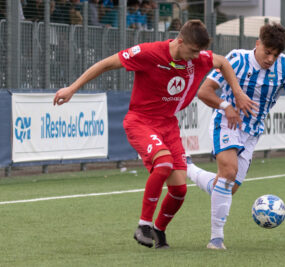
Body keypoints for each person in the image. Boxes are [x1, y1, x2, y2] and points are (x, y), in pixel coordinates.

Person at [53, 20, 257, 249]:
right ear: (180, 41)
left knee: (179, 189)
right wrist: (72, 88)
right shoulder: (149, 53)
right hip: (140, 121)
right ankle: (143, 225)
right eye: (192, 51)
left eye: (199, 52)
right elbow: (106, 64)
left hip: (168, 125)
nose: (196, 57)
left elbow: (223, 62)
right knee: (164, 164)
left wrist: (237, 93)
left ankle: (159, 230)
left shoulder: (198, 57)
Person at [186, 23, 285, 250]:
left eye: (275, 54)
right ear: (257, 44)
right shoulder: (237, 59)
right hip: (226, 121)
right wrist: (226, 106)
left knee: (226, 187)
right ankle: (216, 239)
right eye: (267, 52)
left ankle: (188, 169)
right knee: (228, 172)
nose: (270, 58)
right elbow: (204, 91)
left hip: (252, 133)